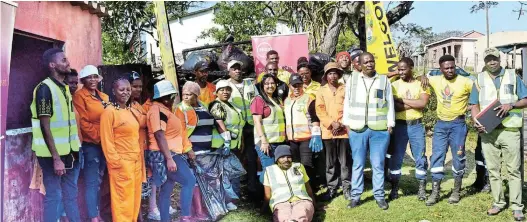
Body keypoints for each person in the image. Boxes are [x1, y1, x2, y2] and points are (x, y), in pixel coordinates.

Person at [470, 48, 526, 221]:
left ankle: (517, 207)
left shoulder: (513, 76)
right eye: (488, 59)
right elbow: (474, 104)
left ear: (499, 59)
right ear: (484, 62)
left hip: (509, 131)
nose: (492, 62)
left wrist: (512, 105)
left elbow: (525, 99)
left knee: (513, 170)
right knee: (493, 170)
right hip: (488, 132)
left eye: (494, 59)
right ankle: (498, 202)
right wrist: (476, 120)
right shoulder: (479, 79)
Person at [30, 48, 81, 222]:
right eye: (63, 60)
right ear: (52, 65)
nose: (68, 63)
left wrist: (75, 150)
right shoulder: (44, 89)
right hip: (52, 156)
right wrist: (56, 158)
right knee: (54, 196)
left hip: (69, 153)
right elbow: (45, 126)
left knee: (71, 195)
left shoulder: (64, 89)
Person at [342, 52, 394, 210]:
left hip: (380, 129)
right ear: (360, 64)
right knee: (357, 164)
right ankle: (356, 196)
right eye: (366, 62)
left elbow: (389, 102)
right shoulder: (353, 80)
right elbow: (347, 103)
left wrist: (390, 123)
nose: (369, 64)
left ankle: (379, 196)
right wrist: (347, 124)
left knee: (378, 164)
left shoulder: (384, 80)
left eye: (372, 61)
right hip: (357, 129)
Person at [421, 55, 473, 206]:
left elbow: (478, 94)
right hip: (441, 125)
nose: (450, 70)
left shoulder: (465, 82)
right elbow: (419, 78)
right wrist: (422, 76)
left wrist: (471, 108)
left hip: (458, 124)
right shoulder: (436, 80)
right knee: (437, 156)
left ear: (455, 66)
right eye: (446, 68)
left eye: (452, 67)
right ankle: (435, 192)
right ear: (441, 69)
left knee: (458, 156)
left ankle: (456, 191)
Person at [146, 80, 196, 222]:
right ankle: (185, 216)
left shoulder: (163, 109)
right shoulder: (158, 110)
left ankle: (165, 219)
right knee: (189, 181)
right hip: (167, 154)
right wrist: (169, 158)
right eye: (168, 96)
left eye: (172, 95)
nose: (171, 98)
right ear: (160, 97)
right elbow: (159, 134)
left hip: (169, 153)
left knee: (166, 190)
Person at [216, 60, 261, 205]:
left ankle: (253, 191)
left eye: (239, 68)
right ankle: (233, 195)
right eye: (234, 69)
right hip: (235, 130)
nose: (237, 71)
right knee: (235, 160)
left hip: (252, 126)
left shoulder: (250, 84)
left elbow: (257, 101)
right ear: (228, 71)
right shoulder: (225, 86)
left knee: (252, 158)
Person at [100, 77, 145, 222]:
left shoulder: (131, 110)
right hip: (121, 163)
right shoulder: (109, 112)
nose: (125, 92)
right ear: (114, 91)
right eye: (121, 89)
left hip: (136, 162)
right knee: (123, 201)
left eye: (128, 89)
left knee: (134, 198)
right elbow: (107, 141)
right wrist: (116, 163)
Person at [387, 58, 429, 201]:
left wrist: (402, 100)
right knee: (397, 157)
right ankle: (394, 187)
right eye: (399, 69)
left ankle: (422, 188)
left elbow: (422, 103)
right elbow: (395, 107)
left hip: (416, 126)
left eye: (404, 69)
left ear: (411, 68)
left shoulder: (421, 84)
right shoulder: (394, 85)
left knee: (420, 156)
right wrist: (414, 103)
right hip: (399, 126)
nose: (401, 72)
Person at [73, 65, 110, 222]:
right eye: (89, 77)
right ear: (83, 80)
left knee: (100, 180)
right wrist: (99, 138)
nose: (93, 80)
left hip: (105, 144)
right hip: (91, 145)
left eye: (95, 76)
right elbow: (82, 122)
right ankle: (93, 217)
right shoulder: (79, 96)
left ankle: (98, 213)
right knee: (92, 182)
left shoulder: (104, 96)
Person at [315, 62, 351, 200]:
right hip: (328, 132)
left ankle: (346, 187)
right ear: (326, 76)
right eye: (330, 73)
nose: (333, 76)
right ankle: (332, 188)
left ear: (339, 74)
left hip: (344, 131)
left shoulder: (345, 89)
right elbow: (320, 110)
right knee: (330, 162)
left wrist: (341, 124)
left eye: (335, 73)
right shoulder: (321, 90)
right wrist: (332, 123)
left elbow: (350, 107)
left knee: (345, 161)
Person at [284, 73, 324, 191]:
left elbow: (315, 118)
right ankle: (299, 189)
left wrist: (316, 135)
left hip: (306, 138)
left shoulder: (309, 99)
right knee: (295, 165)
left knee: (306, 165)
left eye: (299, 85)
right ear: (289, 86)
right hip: (292, 140)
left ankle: (312, 191)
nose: (297, 88)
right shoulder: (286, 101)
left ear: (303, 85)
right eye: (294, 85)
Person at [209, 80, 247, 201]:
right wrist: (227, 142)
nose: (225, 92)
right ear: (217, 92)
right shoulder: (216, 105)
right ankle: (226, 200)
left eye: (227, 89)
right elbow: (219, 124)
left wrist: (241, 141)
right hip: (222, 146)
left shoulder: (231, 105)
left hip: (234, 145)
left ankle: (233, 198)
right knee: (224, 174)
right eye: (222, 90)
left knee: (233, 173)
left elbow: (238, 126)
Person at [263, 145, 316, 222]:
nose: (286, 159)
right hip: (280, 203)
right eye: (282, 157)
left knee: (302, 211)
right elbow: (267, 196)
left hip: (302, 200)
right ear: (277, 159)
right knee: (282, 215)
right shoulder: (269, 171)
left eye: (289, 157)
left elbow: (308, 189)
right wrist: (263, 210)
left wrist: (314, 205)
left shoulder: (299, 166)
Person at [251, 74, 287, 182]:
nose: (270, 86)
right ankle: (265, 195)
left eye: (272, 83)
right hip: (266, 143)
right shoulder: (258, 100)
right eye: (266, 83)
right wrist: (264, 141)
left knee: (276, 171)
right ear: (262, 86)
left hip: (278, 142)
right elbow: (257, 121)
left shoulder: (277, 99)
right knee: (269, 170)